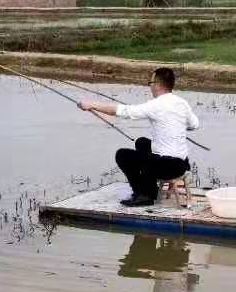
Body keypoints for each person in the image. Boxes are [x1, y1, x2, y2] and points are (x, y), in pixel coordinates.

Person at [79, 67, 199, 207]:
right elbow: (194, 125)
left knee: (123, 155)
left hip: (169, 167)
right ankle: (150, 188)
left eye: (150, 83)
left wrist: (91, 105)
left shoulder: (155, 105)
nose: (150, 87)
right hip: (183, 163)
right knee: (142, 142)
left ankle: (144, 195)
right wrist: (176, 124)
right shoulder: (182, 103)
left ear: (157, 84)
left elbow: (123, 111)